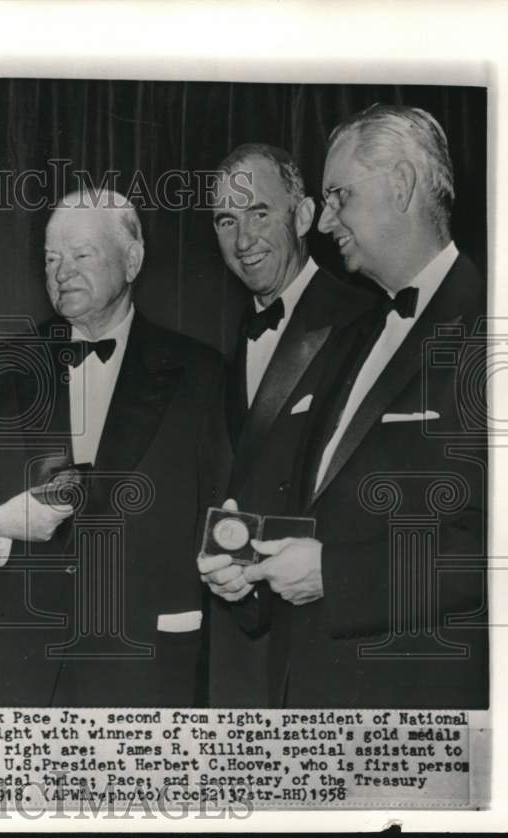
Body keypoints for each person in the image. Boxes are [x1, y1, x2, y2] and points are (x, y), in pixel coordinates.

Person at [208, 105, 487, 708]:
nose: (326, 218)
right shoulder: (358, 332)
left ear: (402, 186)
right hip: (309, 695)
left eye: (338, 195)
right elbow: (320, 507)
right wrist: (249, 565)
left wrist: (334, 576)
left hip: (414, 708)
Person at [0, 189, 231, 706]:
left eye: (81, 254)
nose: (62, 271)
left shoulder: (202, 375)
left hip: (151, 661)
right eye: (51, 258)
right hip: (24, 662)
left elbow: (223, 511)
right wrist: (2, 521)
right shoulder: (4, 368)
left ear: (132, 259)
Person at [201, 144, 375, 707]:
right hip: (243, 643)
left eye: (258, 213)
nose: (243, 238)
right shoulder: (227, 340)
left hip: (320, 647)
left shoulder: (365, 321)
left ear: (302, 217)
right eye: (226, 220)